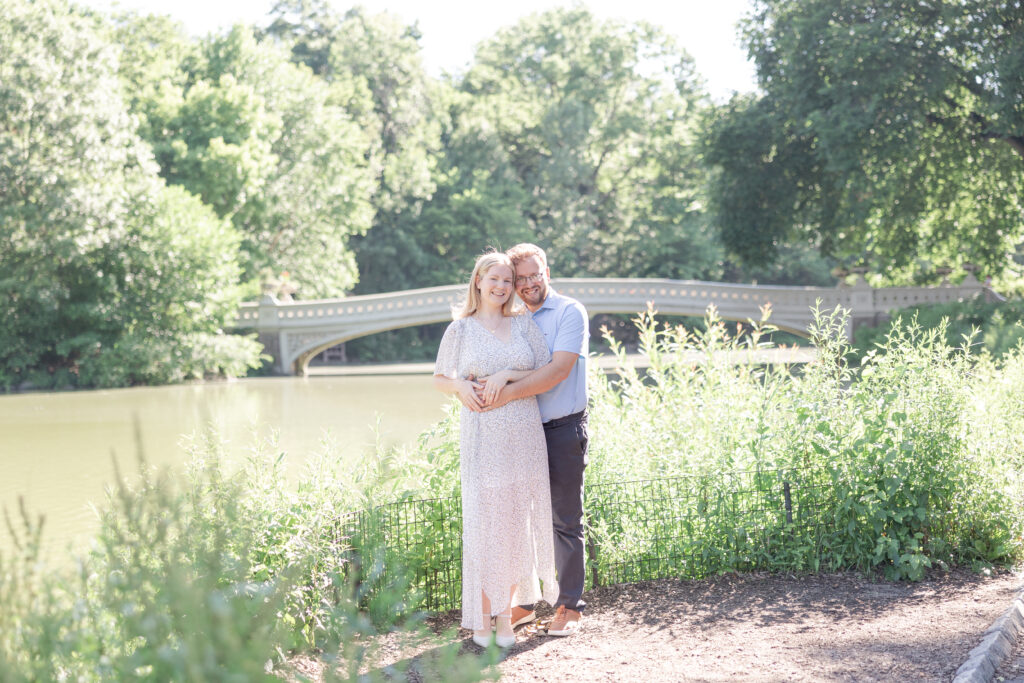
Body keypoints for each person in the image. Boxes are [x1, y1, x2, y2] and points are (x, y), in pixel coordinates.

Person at [433, 251, 558, 648]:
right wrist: (461, 387)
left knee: (514, 524)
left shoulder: (524, 324)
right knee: (486, 524)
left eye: (508, 281)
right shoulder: (460, 330)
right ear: (478, 281)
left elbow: (544, 369)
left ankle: (506, 618)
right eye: (495, 279)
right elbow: (440, 377)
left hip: (522, 431)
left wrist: (506, 374)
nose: (502, 287)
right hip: (483, 433)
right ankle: (481, 621)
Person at [479, 243, 589, 637]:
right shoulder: (512, 318)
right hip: (520, 431)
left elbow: (557, 370)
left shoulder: (569, 312)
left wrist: (504, 391)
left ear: (547, 271)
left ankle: (569, 607)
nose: (526, 284)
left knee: (564, 520)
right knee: (519, 520)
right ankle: (525, 604)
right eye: (519, 278)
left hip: (561, 428)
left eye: (533, 275)